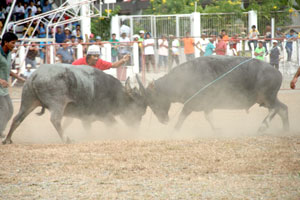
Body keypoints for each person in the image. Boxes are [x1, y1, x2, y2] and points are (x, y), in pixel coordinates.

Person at [0, 32, 25, 138]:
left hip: (3, 89)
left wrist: (18, 77)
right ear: (5, 42)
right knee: (4, 109)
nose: (14, 45)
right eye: (12, 43)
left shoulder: (9, 54)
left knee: (10, 110)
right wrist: (0, 80)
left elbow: (7, 70)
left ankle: (0, 129)